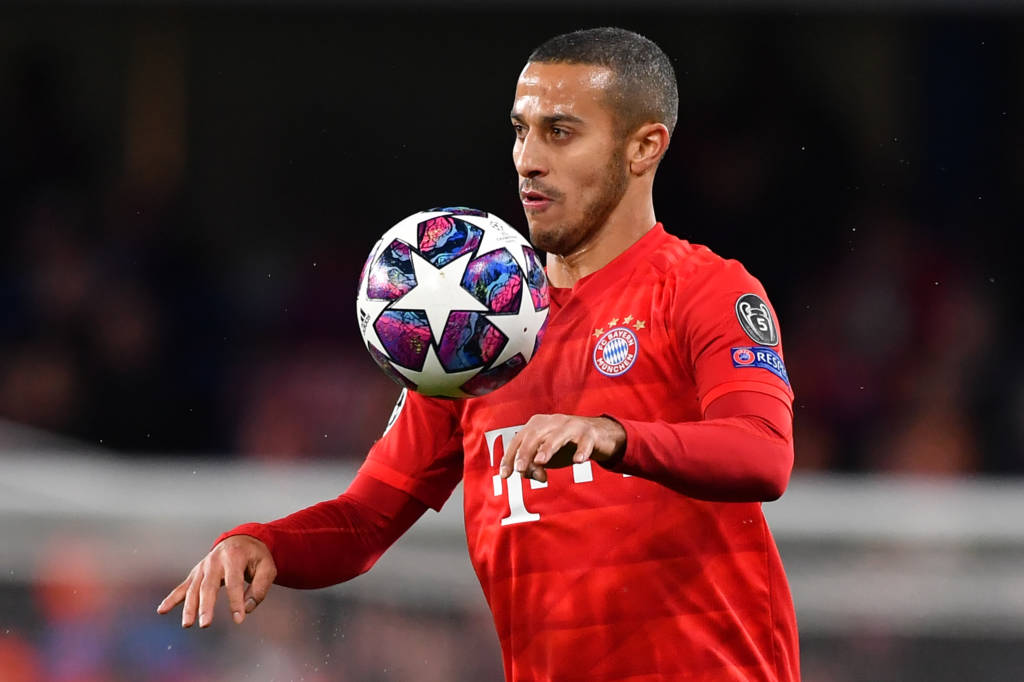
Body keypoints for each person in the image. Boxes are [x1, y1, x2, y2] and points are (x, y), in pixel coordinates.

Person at [159, 27, 800, 681]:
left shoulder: (703, 291)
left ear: (644, 147)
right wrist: (266, 543)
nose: (528, 160)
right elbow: (366, 521)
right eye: (521, 131)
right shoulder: (474, 331)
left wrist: (613, 436)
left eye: (560, 132)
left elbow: (763, 454)